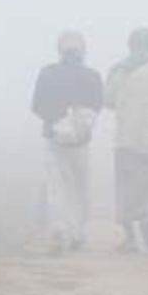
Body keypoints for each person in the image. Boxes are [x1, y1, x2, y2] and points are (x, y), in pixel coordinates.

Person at [30, 31, 103, 255]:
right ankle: (77, 232)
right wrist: (79, 123)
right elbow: (97, 105)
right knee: (80, 187)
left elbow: (37, 106)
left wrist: (57, 120)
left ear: (60, 50)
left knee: (57, 186)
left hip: (54, 139)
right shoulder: (92, 76)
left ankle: (59, 229)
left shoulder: (47, 73)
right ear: (83, 51)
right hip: (81, 140)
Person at [105, 27, 148, 253]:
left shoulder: (119, 71)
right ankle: (147, 219)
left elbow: (108, 101)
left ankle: (130, 238)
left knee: (126, 189)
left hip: (126, 139)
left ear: (130, 45)